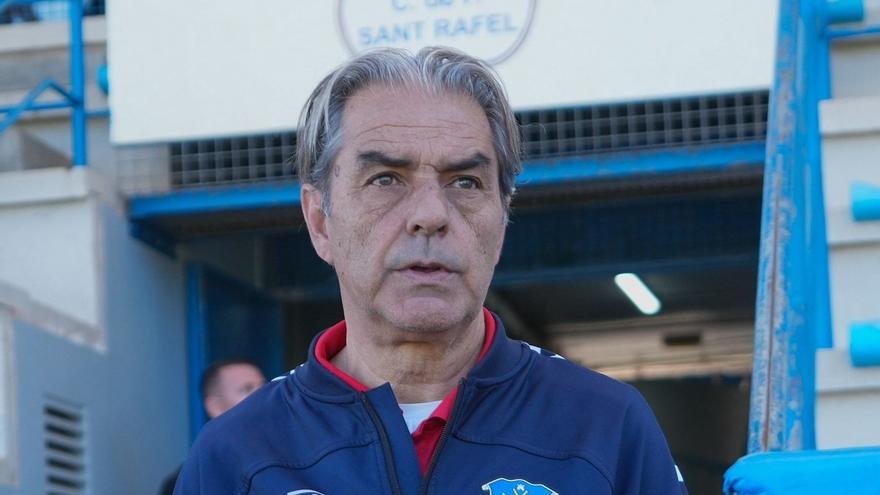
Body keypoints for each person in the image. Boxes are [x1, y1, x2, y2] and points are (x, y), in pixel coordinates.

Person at [175, 46, 689, 494]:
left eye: (465, 182)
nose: (430, 214)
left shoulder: (605, 426)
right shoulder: (237, 454)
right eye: (385, 179)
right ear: (320, 221)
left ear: (502, 222)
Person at [159, 359, 266, 495]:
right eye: (247, 389)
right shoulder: (192, 482)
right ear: (215, 407)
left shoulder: (286, 459)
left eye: (265, 387)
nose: (263, 395)